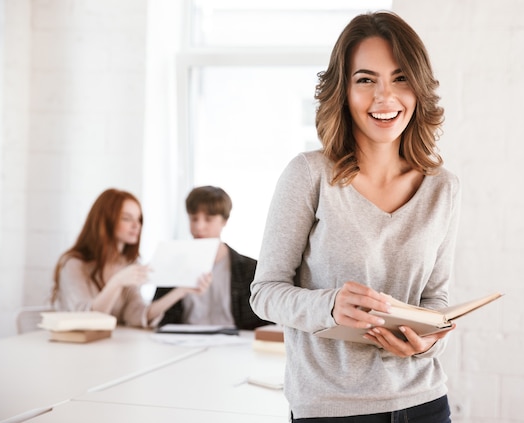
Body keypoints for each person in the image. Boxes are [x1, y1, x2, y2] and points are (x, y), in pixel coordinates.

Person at [249, 11, 460, 422]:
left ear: (418, 88)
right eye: (366, 80)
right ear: (343, 90)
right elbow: (264, 291)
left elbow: (436, 300)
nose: (385, 98)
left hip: (425, 402)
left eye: (400, 79)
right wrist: (330, 307)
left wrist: (426, 343)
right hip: (331, 409)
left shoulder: (443, 188)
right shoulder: (310, 175)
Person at [51, 188, 195, 327]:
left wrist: (181, 291)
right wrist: (117, 282)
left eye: (139, 219)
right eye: (126, 218)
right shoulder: (74, 264)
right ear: (105, 221)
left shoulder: (127, 264)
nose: (136, 225)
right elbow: (87, 321)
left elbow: (136, 315)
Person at [153, 186, 269, 330]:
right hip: (183, 342)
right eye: (193, 218)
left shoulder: (249, 269)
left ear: (224, 221)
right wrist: (181, 290)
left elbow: (264, 321)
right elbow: (153, 317)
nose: (199, 227)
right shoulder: (173, 263)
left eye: (209, 219)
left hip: (235, 345)